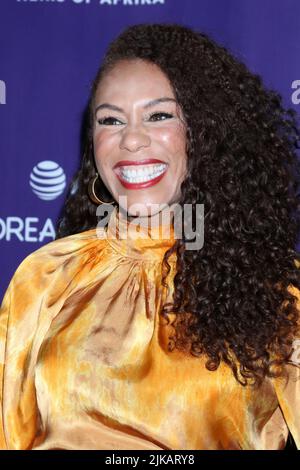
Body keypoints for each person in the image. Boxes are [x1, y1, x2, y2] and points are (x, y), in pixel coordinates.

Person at [0, 23, 300, 451]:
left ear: (206, 132)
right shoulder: (46, 277)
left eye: (159, 116)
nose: (132, 139)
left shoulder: (275, 295)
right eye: (111, 120)